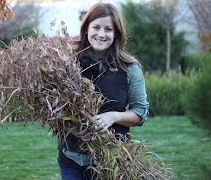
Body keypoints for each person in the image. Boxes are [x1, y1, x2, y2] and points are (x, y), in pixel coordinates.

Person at [57, 3, 149, 180]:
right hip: (72, 160)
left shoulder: (130, 69)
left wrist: (113, 116)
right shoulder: (66, 64)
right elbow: (51, 110)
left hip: (113, 161)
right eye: (96, 27)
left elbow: (140, 112)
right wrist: (72, 127)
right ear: (86, 29)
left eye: (108, 29)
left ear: (116, 34)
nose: (101, 34)